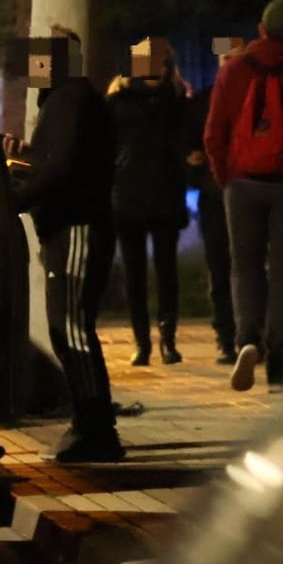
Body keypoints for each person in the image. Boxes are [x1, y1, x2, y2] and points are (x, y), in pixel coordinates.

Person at [6, 30, 124, 462]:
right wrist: (24, 159)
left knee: (71, 329)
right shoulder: (64, 102)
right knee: (66, 328)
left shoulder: (72, 101)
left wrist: (17, 196)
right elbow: (54, 161)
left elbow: (62, 170)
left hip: (76, 228)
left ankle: (97, 428)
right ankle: (89, 422)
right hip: (67, 227)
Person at [204, 0, 283, 392]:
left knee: (244, 268)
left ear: (261, 28)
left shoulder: (234, 70)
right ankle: (279, 363)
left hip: (242, 184)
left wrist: (227, 178)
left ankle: (247, 341)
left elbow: (214, 132)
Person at [107, 37, 190, 366]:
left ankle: (163, 340)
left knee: (162, 271)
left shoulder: (173, 98)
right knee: (138, 273)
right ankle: (145, 341)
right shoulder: (123, 99)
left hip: (155, 195)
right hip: (135, 196)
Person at [187, 37, 243, 365]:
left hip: (231, 190)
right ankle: (228, 335)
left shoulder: (248, 96)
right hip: (217, 194)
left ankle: (244, 334)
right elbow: (190, 145)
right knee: (223, 267)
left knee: (241, 266)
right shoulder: (206, 100)